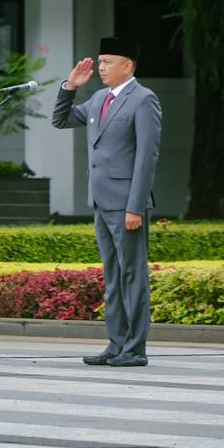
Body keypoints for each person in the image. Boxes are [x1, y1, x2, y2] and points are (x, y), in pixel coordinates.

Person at [52, 36, 161, 368]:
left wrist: (135, 207)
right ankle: (115, 344)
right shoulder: (99, 98)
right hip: (100, 202)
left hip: (126, 205)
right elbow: (61, 119)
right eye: (99, 62)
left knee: (132, 275)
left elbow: (146, 156)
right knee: (112, 276)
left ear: (127, 66)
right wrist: (70, 86)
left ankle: (135, 348)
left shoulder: (144, 100)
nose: (100, 68)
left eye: (107, 62)